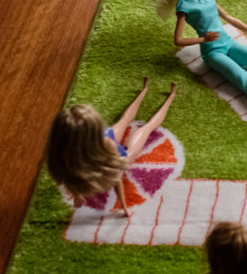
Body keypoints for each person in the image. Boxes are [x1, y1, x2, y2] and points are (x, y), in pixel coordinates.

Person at [46, 78, 177, 216]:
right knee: (141, 126)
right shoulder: (99, 149)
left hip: (113, 154)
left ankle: (157, 93)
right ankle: (156, 93)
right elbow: (113, 175)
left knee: (142, 127)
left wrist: (123, 206)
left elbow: (115, 176)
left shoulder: (60, 158)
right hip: (106, 151)